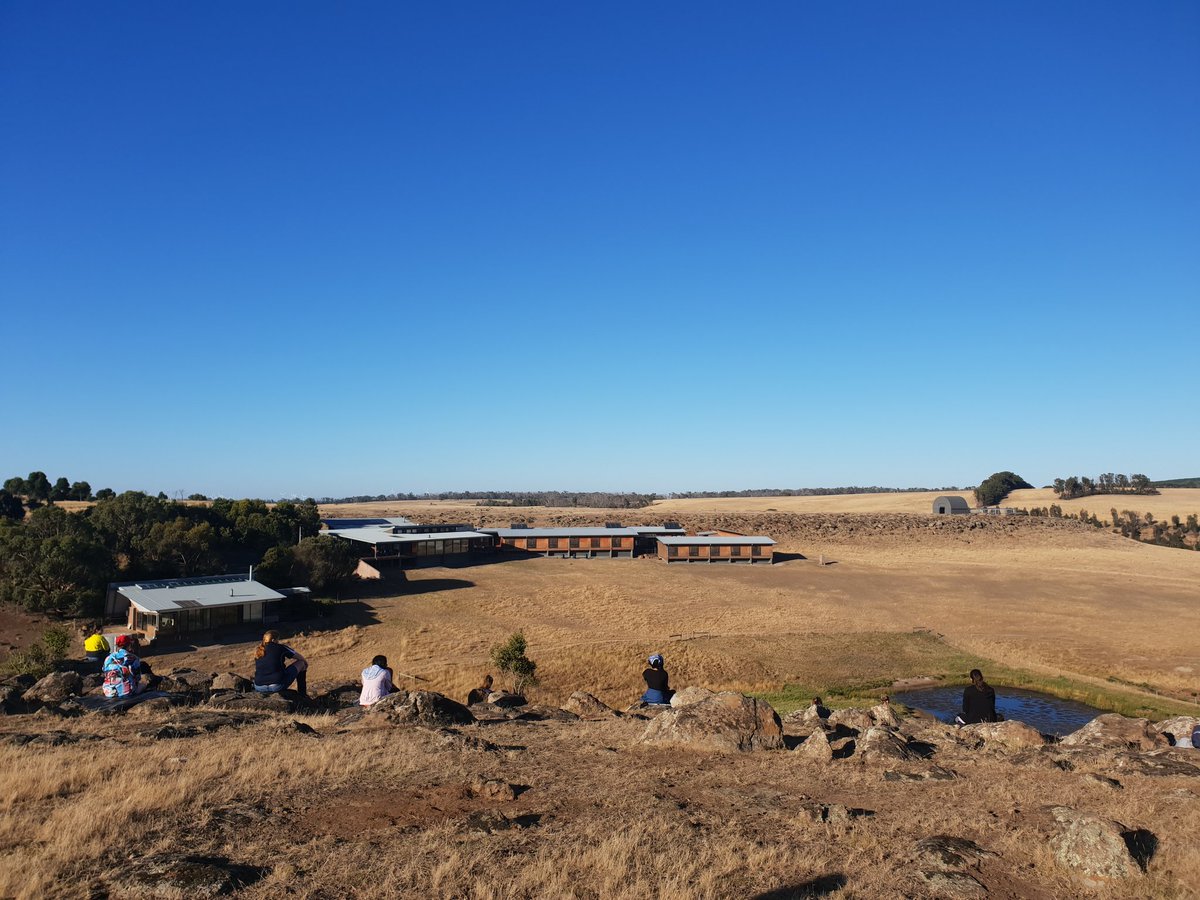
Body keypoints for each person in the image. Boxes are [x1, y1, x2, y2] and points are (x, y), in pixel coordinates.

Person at [253, 630, 308, 696]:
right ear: (273, 640)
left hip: (259, 687)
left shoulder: (258, 650)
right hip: (277, 686)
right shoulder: (281, 647)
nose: (278, 642)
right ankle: (302, 694)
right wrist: (306, 663)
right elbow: (298, 657)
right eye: (278, 640)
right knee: (301, 663)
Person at [101, 634, 144, 699]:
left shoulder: (108, 658)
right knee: (143, 685)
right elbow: (137, 677)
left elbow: (104, 671)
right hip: (126, 692)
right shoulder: (133, 658)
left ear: (117, 645)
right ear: (129, 645)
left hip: (108, 691)